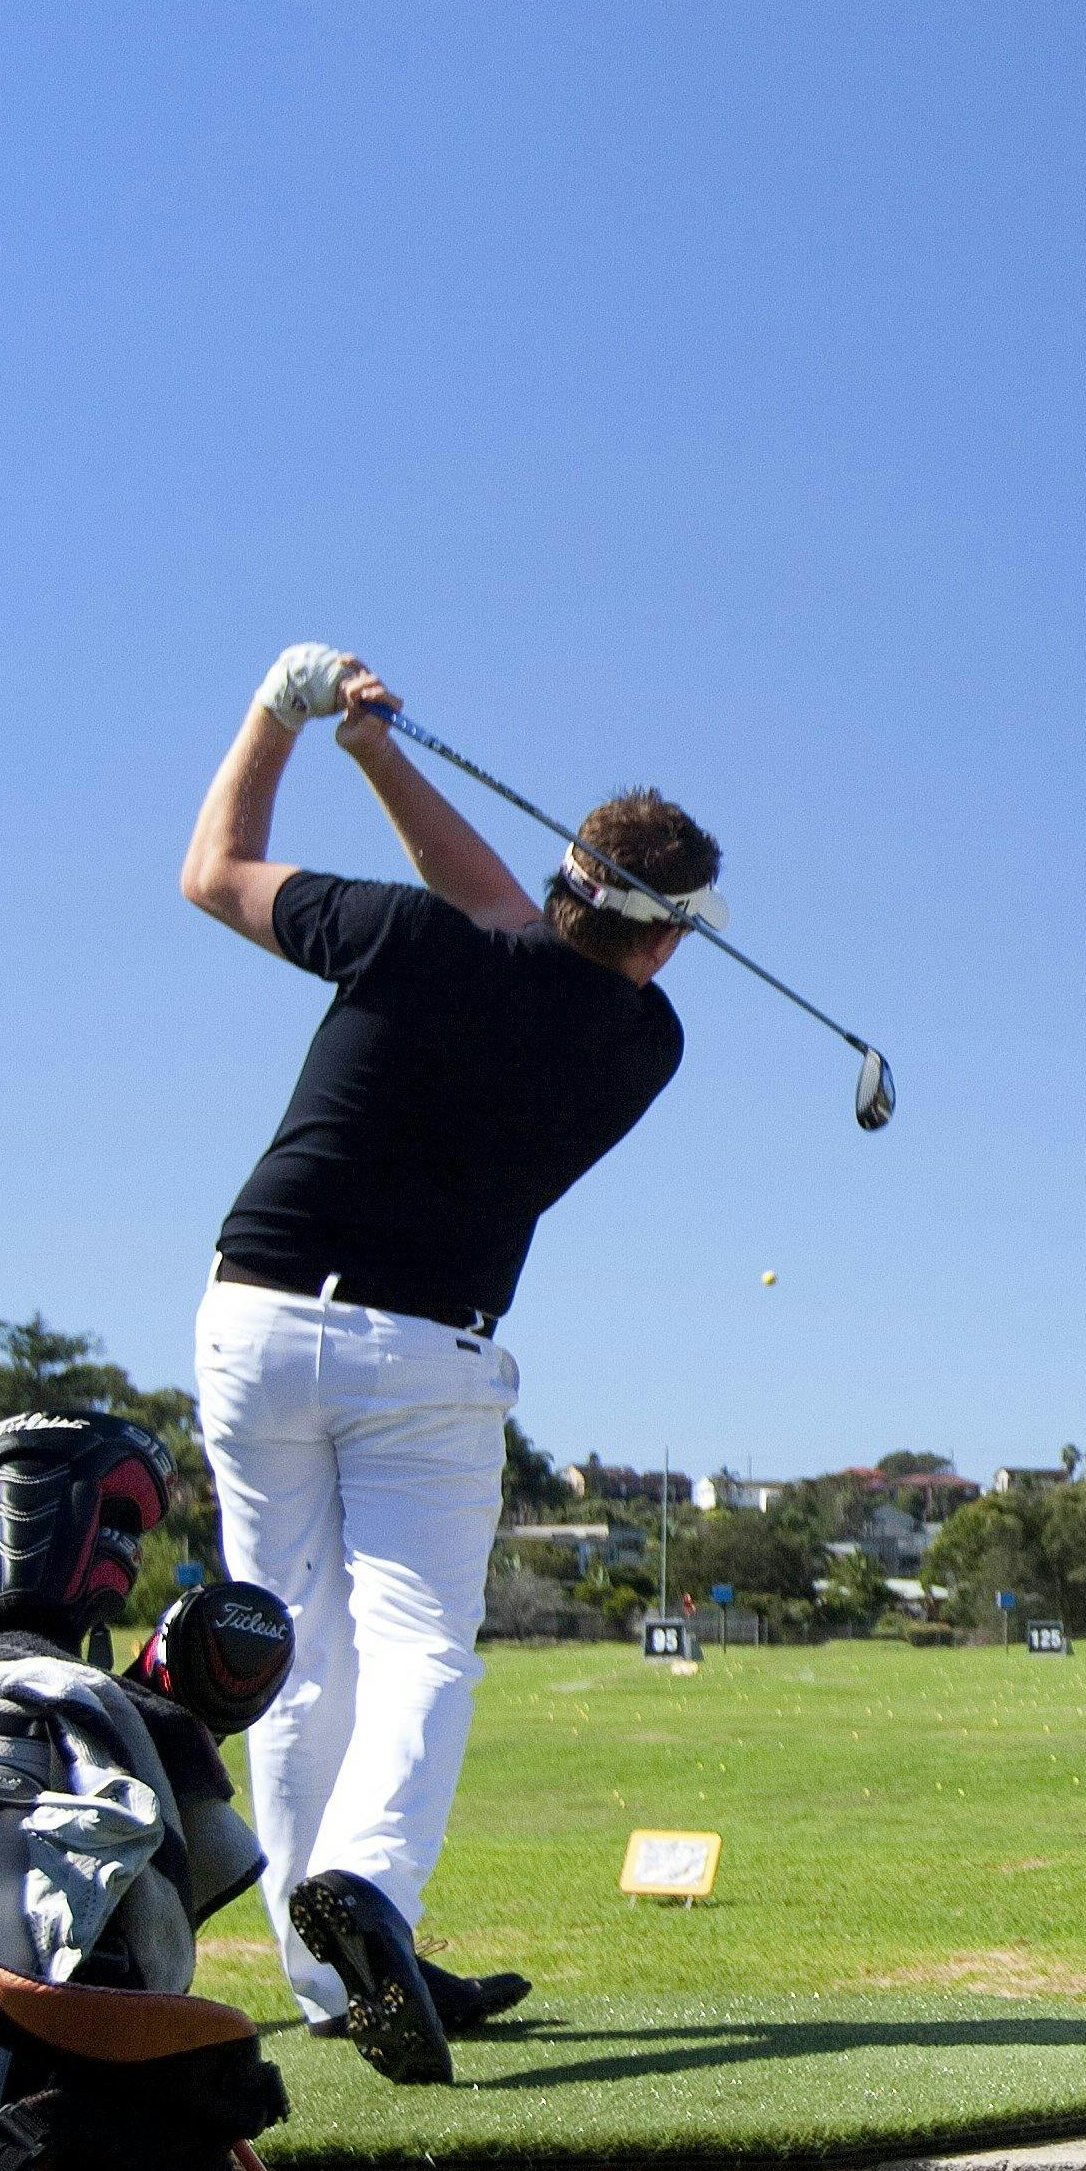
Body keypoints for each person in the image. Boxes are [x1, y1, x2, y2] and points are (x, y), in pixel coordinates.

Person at [177, 640, 711, 2082]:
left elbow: (214, 870)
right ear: (666, 939)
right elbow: (517, 926)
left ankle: (325, 1971)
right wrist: (375, 755)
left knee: (287, 1642)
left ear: (562, 884)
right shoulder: (646, 1038)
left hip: (258, 1316)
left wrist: (288, 723)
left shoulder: (405, 937)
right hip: (427, 1352)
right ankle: (374, 1902)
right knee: (420, 1649)